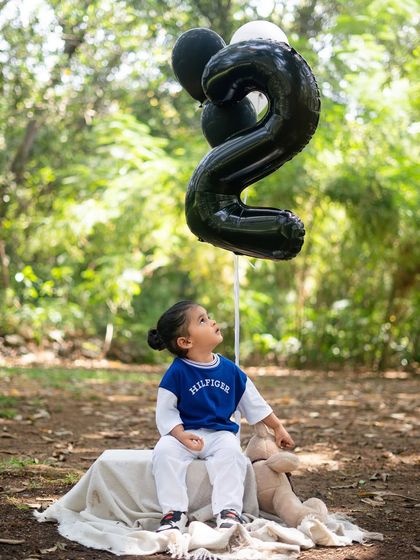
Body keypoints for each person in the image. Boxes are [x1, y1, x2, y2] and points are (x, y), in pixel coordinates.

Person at [147, 300, 294, 533]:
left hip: (220, 434)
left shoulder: (229, 370)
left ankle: (228, 511)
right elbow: (166, 411)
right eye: (202, 320)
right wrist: (179, 435)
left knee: (233, 455)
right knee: (164, 451)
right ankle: (173, 512)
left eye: (208, 316)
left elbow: (254, 401)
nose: (212, 321)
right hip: (186, 433)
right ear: (186, 342)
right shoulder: (177, 372)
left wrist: (277, 428)